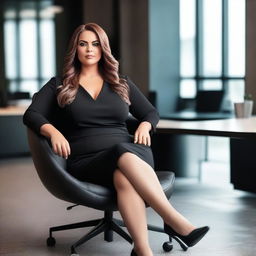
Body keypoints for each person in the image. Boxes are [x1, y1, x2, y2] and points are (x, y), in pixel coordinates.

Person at [23, 23, 209, 256]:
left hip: (131, 155)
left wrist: (144, 124)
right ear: (75, 49)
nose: (89, 49)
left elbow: (151, 112)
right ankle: (173, 219)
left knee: (123, 169)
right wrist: (53, 131)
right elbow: (32, 114)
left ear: (103, 49)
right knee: (123, 154)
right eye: (83, 44)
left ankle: (142, 250)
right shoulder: (59, 84)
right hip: (87, 161)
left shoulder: (121, 82)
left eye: (95, 44)